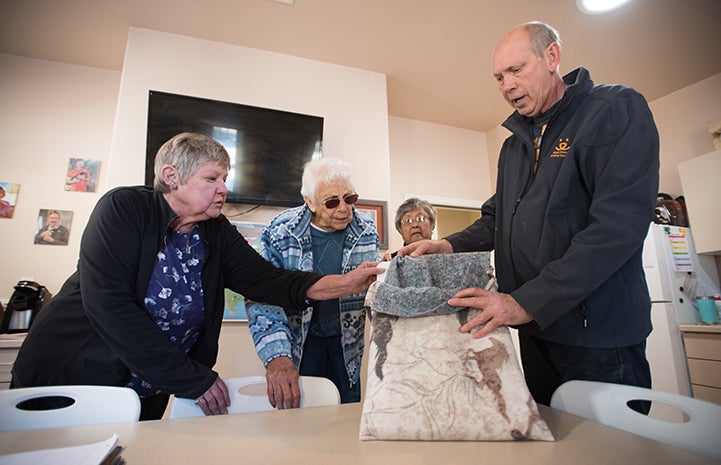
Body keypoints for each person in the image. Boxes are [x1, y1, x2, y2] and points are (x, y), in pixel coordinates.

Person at [11, 133, 383, 420]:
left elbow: (272, 282)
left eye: (225, 178)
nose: (224, 188)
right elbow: (110, 307)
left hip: (149, 387)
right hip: (70, 373)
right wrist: (194, 378)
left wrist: (349, 283)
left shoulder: (216, 231)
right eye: (212, 178)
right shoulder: (125, 208)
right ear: (171, 177)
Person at [397, 21, 660, 408]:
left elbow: (615, 229)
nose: (507, 85)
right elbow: (495, 219)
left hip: (599, 336)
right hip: (536, 331)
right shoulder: (513, 148)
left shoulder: (613, 109)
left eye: (516, 70)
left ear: (552, 56)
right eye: (499, 77)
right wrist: (446, 245)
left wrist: (526, 302)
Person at [247, 158, 380, 408]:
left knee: (345, 418)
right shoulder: (281, 232)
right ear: (309, 202)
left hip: (347, 346)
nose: (344, 209)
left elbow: (373, 293)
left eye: (349, 198)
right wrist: (277, 356)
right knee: (299, 422)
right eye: (332, 202)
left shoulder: (367, 230)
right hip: (298, 346)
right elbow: (262, 296)